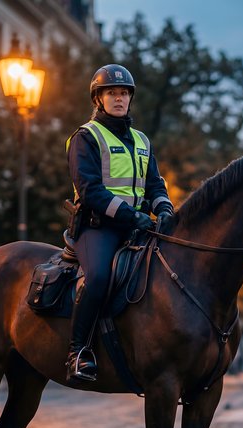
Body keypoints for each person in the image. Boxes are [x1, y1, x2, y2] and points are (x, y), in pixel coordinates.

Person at [65, 64, 174, 381]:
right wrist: (133, 216)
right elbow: (91, 191)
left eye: (124, 92)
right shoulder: (86, 137)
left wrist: (164, 209)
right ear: (98, 99)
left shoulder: (142, 140)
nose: (119, 98)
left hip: (137, 227)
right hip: (97, 228)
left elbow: (154, 184)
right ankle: (78, 352)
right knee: (98, 277)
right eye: (111, 92)